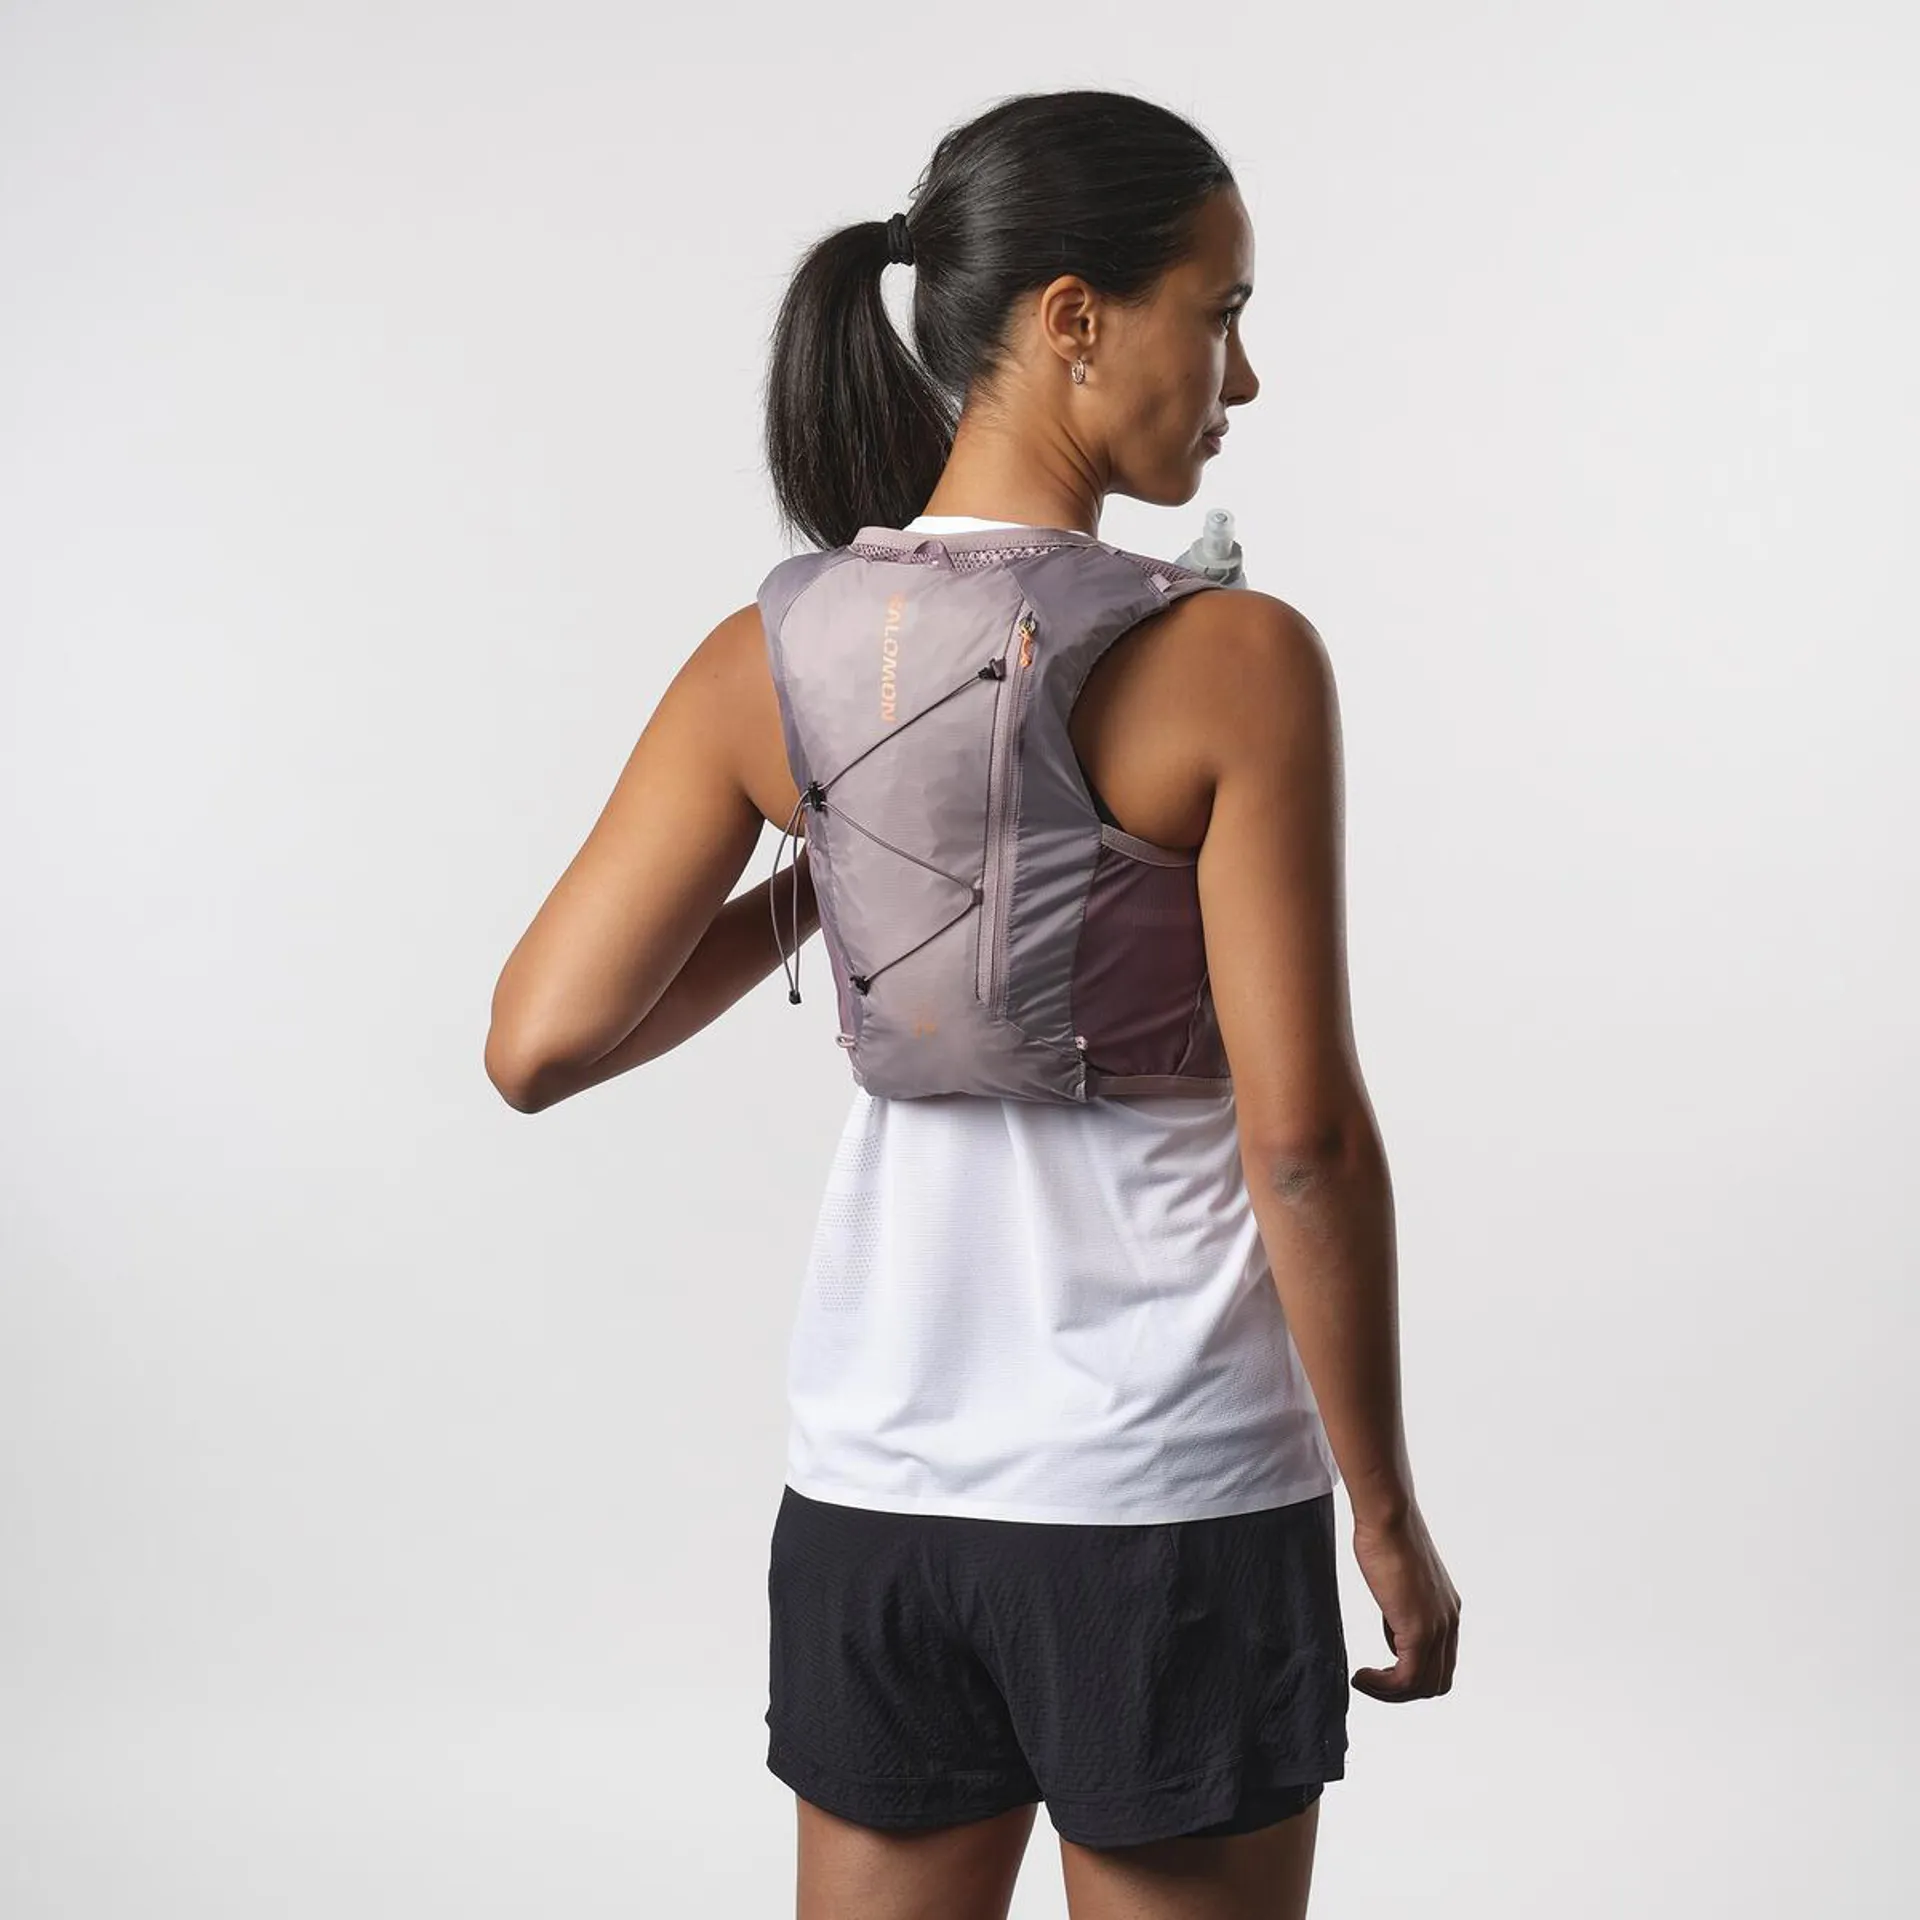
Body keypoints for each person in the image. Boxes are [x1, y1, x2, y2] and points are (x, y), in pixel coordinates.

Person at [485, 86, 1459, 1920]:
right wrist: (1387, 1513)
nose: (1243, 378)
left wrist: (830, 854)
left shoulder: (771, 655)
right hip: (1162, 1497)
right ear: (1075, 316)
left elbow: (537, 1044)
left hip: (879, 1498)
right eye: (1222, 313)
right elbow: (1304, 1144)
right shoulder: (1236, 659)